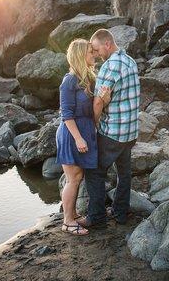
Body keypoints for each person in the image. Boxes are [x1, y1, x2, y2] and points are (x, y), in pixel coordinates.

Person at [78, 29, 140, 228]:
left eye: (96, 49)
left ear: (107, 44)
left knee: (94, 172)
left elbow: (98, 103)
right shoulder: (130, 61)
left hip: (113, 132)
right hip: (130, 132)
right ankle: (120, 213)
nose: (96, 54)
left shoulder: (110, 66)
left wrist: (93, 125)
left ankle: (96, 218)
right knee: (124, 172)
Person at [56, 38, 110, 236]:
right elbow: (66, 115)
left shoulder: (87, 78)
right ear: (80, 55)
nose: (93, 55)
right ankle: (67, 221)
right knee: (73, 178)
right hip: (71, 134)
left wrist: (104, 100)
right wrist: (79, 138)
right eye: (90, 52)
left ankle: (73, 213)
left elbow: (93, 113)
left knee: (78, 177)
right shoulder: (69, 81)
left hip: (86, 131)